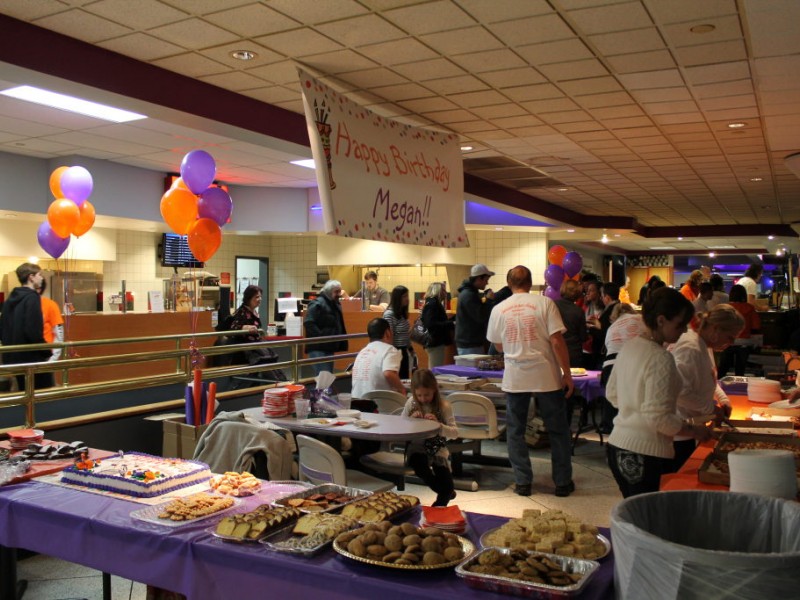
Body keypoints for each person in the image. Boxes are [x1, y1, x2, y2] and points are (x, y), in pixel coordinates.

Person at [605, 287, 711, 498]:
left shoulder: (630, 346)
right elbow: (659, 419)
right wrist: (695, 431)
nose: (683, 331)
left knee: (635, 515)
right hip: (643, 452)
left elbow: (612, 393)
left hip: (617, 446)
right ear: (661, 320)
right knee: (644, 520)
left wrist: (634, 409)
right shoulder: (661, 357)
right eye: (680, 325)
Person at [486, 265, 575, 497]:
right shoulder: (545, 303)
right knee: (557, 430)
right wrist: (567, 373)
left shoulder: (499, 309)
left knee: (515, 431)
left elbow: (498, 345)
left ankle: (523, 482)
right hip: (547, 376)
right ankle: (563, 482)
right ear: (530, 282)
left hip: (516, 377)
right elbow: (557, 341)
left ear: (509, 283)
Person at [668, 304, 743, 471]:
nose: (731, 343)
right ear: (716, 328)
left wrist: (722, 400)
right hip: (679, 432)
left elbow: (708, 379)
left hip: (690, 426)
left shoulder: (704, 344)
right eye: (730, 337)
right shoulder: (690, 348)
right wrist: (710, 408)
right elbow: (678, 391)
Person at [402, 369, 458, 507]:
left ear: (434, 389)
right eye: (419, 395)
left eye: (426, 395)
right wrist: (410, 420)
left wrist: (438, 426)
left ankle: (439, 505)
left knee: (447, 484)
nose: (422, 399)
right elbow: (400, 425)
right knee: (422, 468)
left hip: (437, 450)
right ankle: (445, 493)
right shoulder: (411, 402)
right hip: (416, 449)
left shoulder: (443, 406)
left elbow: (455, 433)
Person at [0, 263, 51, 390]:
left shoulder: (9, 300)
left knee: (24, 395)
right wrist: (46, 350)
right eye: (39, 275)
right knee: (42, 395)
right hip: (31, 358)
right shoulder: (32, 298)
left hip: (12, 357)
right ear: (31, 277)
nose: (42, 278)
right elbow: (32, 331)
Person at [599, 303, 644, 434]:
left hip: (609, 366)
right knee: (631, 405)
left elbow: (608, 347)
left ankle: (613, 439)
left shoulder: (612, 327)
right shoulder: (640, 320)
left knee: (612, 405)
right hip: (632, 363)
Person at [350, 318, 405, 399]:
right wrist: (402, 389)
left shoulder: (363, 351)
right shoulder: (389, 349)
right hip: (377, 405)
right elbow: (389, 373)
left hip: (355, 401)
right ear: (387, 333)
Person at [304, 279, 347, 375]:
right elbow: (309, 323)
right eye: (337, 291)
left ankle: (323, 390)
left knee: (326, 377)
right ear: (329, 291)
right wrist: (321, 337)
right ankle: (323, 390)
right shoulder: (317, 304)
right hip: (319, 348)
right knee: (324, 377)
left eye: (340, 291)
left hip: (327, 347)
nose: (339, 294)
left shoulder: (332, 303)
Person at [719, 284, 761, 376]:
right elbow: (756, 327)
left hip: (728, 342)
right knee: (740, 369)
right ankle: (739, 384)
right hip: (745, 343)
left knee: (723, 368)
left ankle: (718, 384)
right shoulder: (749, 308)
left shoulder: (726, 308)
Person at [455, 263, 496, 355]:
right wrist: (489, 300)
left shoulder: (469, 293)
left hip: (469, 342)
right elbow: (481, 316)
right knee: (471, 369)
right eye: (486, 279)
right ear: (479, 278)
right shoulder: (469, 295)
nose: (487, 282)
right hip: (470, 343)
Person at [382, 285, 415, 379]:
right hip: (394, 351)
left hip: (403, 351)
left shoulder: (402, 314)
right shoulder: (389, 314)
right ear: (397, 298)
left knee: (404, 379)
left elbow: (405, 334)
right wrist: (393, 354)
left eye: (407, 296)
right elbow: (389, 336)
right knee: (397, 380)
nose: (407, 299)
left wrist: (410, 349)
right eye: (404, 296)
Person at [420, 282, 454, 368]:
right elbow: (431, 324)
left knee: (435, 367)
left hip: (434, 342)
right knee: (435, 370)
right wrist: (451, 323)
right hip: (435, 342)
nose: (445, 293)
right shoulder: (433, 304)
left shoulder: (431, 303)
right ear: (437, 291)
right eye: (443, 290)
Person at [554, 279, 586, 368]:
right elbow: (583, 337)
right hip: (574, 352)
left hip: (556, 350)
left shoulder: (552, 305)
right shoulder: (578, 311)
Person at [38, 279, 64, 363]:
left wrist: (53, 359)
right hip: (25, 355)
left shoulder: (50, 305)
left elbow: (59, 334)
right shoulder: (22, 305)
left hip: (45, 355)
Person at [582, 280, 605, 369]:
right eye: (588, 290)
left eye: (591, 290)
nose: (588, 292)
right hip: (586, 345)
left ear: (599, 292)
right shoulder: (586, 306)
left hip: (599, 346)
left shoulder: (604, 308)